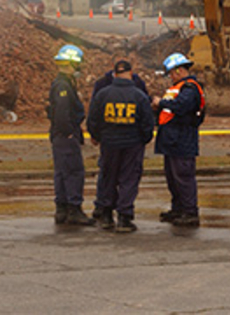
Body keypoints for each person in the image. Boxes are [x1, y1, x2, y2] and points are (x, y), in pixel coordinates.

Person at [87, 60, 154, 233]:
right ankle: (124, 218)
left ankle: (107, 215)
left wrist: (98, 136)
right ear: (131, 74)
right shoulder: (139, 95)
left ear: (114, 74)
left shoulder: (103, 94)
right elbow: (148, 122)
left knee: (108, 177)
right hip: (132, 144)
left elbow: (93, 119)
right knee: (128, 179)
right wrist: (143, 139)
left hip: (109, 143)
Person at [151, 52, 205, 227]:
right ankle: (178, 209)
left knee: (183, 177)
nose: (170, 78)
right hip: (172, 140)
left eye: (172, 74)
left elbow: (181, 107)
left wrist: (161, 103)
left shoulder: (190, 88)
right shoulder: (179, 87)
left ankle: (189, 212)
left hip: (182, 139)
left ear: (179, 70)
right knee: (173, 178)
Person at [47, 44, 94, 226]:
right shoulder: (63, 86)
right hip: (65, 136)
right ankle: (74, 209)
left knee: (62, 172)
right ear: (72, 64)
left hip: (60, 135)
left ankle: (62, 209)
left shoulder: (62, 83)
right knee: (73, 172)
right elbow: (62, 113)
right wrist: (68, 133)